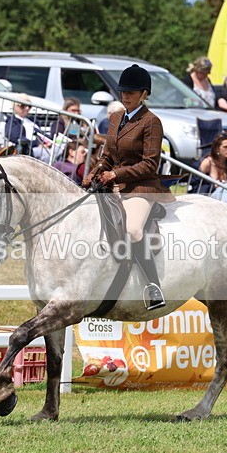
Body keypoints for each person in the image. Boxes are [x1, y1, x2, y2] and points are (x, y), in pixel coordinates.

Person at [83, 64, 175, 311]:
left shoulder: (151, 122)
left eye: (131, 92)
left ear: (144, 93)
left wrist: (115, 173)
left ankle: (153, 286)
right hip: (113, 183)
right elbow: (108, 154)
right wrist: (95, 170)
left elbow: (149, 164)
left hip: (141, 187)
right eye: (123, 92)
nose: (125, 96)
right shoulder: (115, 118)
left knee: (133, 229)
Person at [4, 94, 53, 161]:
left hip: (41, 147)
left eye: (29, 106)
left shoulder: (33, 120)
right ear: (15, 106)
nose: (27, 108)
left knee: (60, 151)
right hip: (28, 150)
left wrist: (49, 141)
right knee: (47, 154)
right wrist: (37, 144)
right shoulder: (12, 121)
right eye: (22, 105)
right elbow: (16, 137)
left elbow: (41, 134)